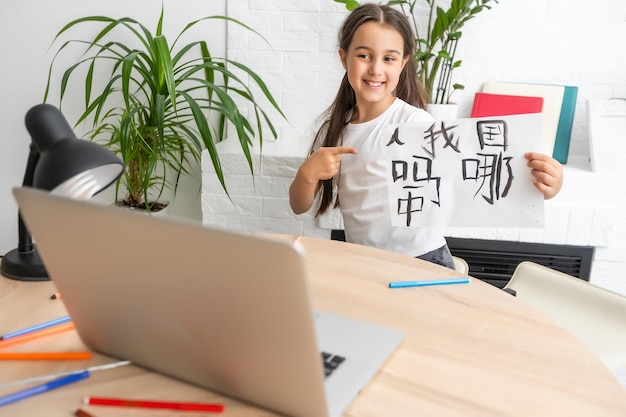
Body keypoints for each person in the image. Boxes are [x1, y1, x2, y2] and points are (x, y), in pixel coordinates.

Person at [289, 4, 563, 270]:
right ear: (343, 57)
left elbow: (470, 177)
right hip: (365, 262)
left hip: (421, 259)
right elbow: (299, 206)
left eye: (388, 58)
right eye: (364, 56)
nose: (375, 69)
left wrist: (547, 185)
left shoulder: (414, 123)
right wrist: (307, 175)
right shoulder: (335, 130)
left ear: (403, 63)